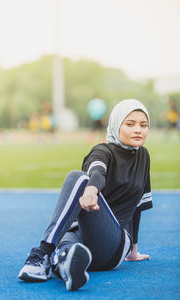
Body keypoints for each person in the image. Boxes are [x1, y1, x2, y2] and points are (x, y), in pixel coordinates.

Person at [18, 99, 153, 291]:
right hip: (80, 236)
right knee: (66, 249)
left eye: (143, 125)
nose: (138, 130)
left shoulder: (144, 156)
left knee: (77, 178)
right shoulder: (102, 150)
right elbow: (97, 171)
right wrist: (92, 187)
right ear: (116, 125)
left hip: (114, 245)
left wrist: (133, 251)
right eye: (130, 124)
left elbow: (137, 206)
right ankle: (65, 267)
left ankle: (43, 253)